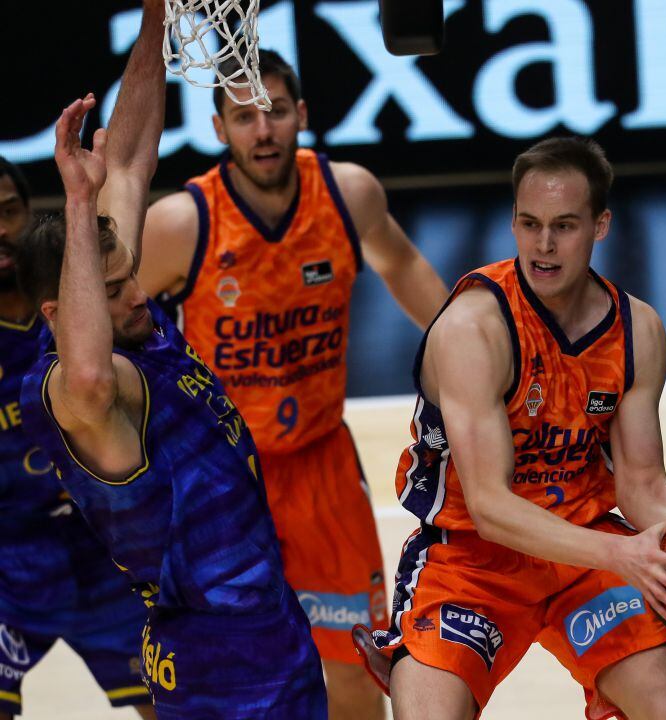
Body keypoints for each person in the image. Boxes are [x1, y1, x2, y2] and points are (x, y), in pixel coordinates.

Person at [16, 7, 326, 717]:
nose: (138, 292)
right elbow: (90, 373)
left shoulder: (123, 305)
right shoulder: (74, 390)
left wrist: (156, 15)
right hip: (215, 653)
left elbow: (127, 161)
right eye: (114, 286)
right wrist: (75, 196)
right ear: (62, 314)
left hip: (268, 618)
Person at [353, 136, 666, 720]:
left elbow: (643, 486)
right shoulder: (475, 327)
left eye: (565, 226)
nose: (544, 245)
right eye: (530, 224)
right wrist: (623, 555)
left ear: (601, 226)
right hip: (470, 559)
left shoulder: (637, 329)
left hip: (586, 555)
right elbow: (492, 508)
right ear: (514, 222)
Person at [137, 49, 448, 720]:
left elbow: (405, 267)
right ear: (218, 128)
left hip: (321, 468)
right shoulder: (180, 224)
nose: (265, 129)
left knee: (358, 675)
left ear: (302, 114)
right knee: (216, 676)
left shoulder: (348, 193)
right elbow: (114, 326)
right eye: (244, 116)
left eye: (276, 111)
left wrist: (481, 361)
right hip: (220, 481)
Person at [0, 153, 152, 719]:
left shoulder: (81, 305)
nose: (1, 228)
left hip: (104, 550)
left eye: (10, 211)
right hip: (9, 565)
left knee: (175, 706)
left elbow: (133, 169)